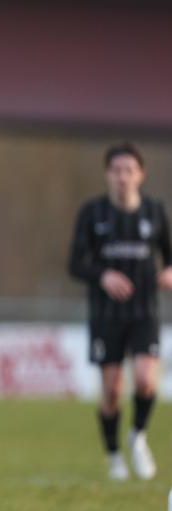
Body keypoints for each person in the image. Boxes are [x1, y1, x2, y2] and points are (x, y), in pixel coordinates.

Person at [68, 142, 172, 481]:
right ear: (107, 175)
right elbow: (75, 264)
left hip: (145, 312)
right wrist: (104, 274)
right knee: (112, 391)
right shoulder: (92, 214)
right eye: (116, 171)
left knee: (144, 381)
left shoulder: (155, 213)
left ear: (140, 174)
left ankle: (137, 435)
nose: (123, 177)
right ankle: (114, 455)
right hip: (106, 315)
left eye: (129, 170)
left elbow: (169, 258)